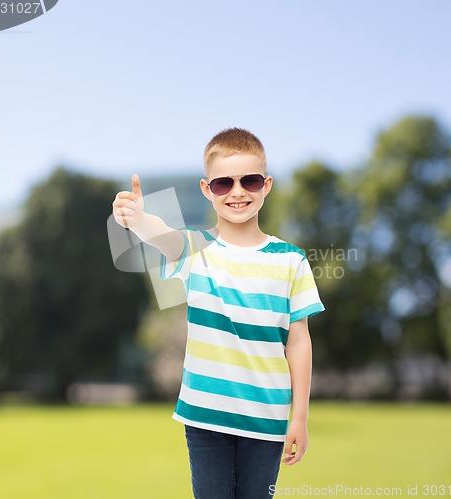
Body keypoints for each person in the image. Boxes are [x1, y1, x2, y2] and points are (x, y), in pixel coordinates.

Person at [112, 127, 325, 498]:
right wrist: (137, 219)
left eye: (251, 180)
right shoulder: (197, 248)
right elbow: (164, 236)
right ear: (207, 189)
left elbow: (300, 340)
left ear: (267, 185)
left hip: (267, 418)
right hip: (205, 415)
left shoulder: (292, 260)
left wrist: (300, 417)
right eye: (224, 183)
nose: (238, 191)